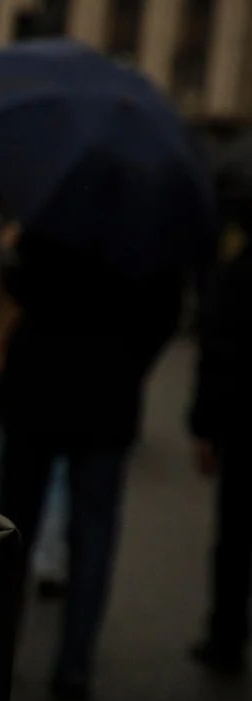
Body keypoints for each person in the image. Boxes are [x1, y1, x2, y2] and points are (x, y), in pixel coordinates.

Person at [0, 229, 185, 701]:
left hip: (38, 385)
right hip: (109, 394)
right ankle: (74, 662)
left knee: (14, 525)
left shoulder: (56, 208)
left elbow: (20, 284)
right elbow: (165, 316)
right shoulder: (152, 229)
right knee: (94, 532)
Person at [189, 213, 252, 675]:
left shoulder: (240, 267)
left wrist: (205, 425)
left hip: (242, 420)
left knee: (235, 535)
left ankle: (226, 635)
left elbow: (220, 346)